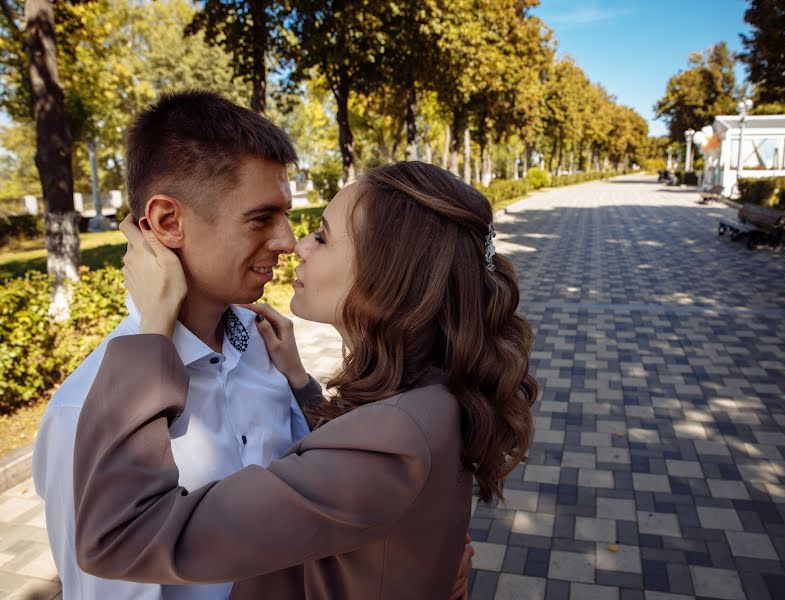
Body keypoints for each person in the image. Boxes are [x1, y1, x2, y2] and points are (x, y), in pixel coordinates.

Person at [32, 91, 474, 599]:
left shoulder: (265, 347)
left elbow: (318, 488)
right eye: (261, 218)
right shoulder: (83, 413)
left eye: (289, 216)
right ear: (168, 222)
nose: (290, 241)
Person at [71, 161, 538, 599]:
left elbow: (118, 537)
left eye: (322, 236)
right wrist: (299, 381)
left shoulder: (396, 438)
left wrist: (152, 332)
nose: (296, 245)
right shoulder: (434, 387)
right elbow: (358, 468)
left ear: (386, 276)